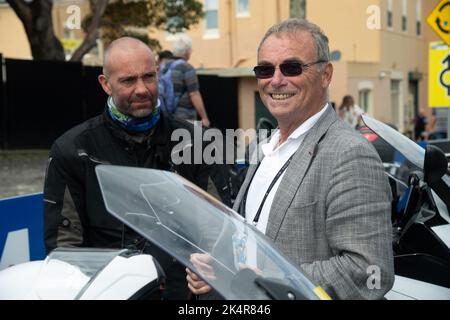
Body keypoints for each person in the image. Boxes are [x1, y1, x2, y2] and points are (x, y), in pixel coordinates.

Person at [186, 18, 394, 300]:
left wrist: (274, 280)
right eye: (265, 69)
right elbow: (250, 236)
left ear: (326, 74)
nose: (276, 80)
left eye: (292, 67)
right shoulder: (264, 145)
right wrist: (219, 266)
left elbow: (370, 271)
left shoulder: (349, 154)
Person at [43, 37, 226, 300]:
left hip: (184, 295)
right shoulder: (73, 149)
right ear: (106, 84)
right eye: (128, 80)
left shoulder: (197, 142)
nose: (142, 89)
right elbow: (64, 247)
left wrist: (210, 268)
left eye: (148, 77)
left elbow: (220, 227)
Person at [169, 33, 210, 127]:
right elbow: (194, 93)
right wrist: (204, 117)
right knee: (189, 140)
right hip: (185, 116)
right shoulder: (187, 67)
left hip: (168, 116)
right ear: (187, 51)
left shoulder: (165, 67)